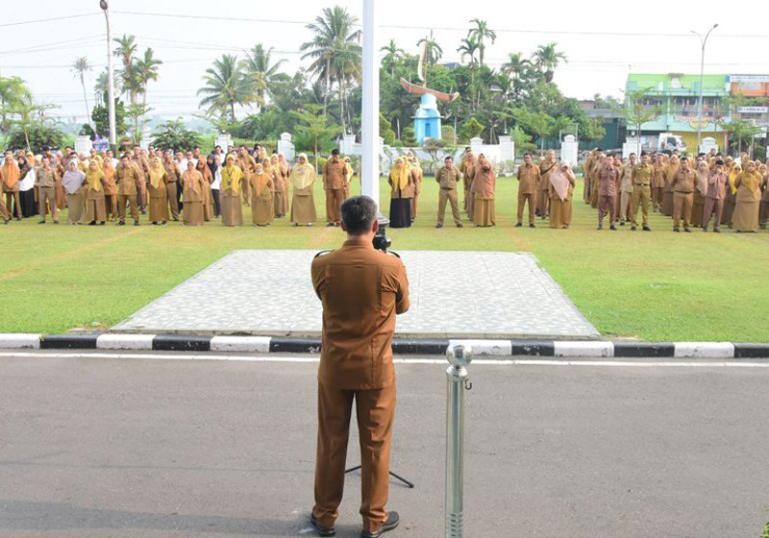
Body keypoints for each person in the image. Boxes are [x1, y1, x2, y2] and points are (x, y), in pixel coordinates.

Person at [309, 195, 409, 538]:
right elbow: (404, 306)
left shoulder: (322, 264)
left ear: (341, 225)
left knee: (331, 442)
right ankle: (374, 519)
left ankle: (325, 515)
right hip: (375, 369)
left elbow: (324, 298)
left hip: (335, 367)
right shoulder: (391, 265)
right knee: (376, 444)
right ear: (375, 226)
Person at [732, 160, 761, 233]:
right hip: (742, 197)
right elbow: (736, 183)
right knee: (741, 213)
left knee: (753, 214)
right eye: (749, 166)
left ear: (755, 167)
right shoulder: (741, 174)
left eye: (752, 166)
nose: (750, 167)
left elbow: (760, 184)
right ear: (745, 166)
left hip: (754, 197)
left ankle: (752, 228)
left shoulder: (757, 175)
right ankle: (740, 228)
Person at [289, 153, 317, 227]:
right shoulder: (295, 167)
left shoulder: (310, 167)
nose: (301, 160)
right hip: (297, 188)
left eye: (303, 159)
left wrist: (307, 184)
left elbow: (313, 177)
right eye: (300, 159)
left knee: (308, 205)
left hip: (307, 188)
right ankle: (296, 221)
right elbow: (292, 177)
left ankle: (309, 221)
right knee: (297, 206)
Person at [435, 156, 463, 228]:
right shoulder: (441, 170)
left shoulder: (455, 169)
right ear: (445, 162)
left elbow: (458, 178)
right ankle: (440, 223)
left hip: (452, 191)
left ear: (452, 162)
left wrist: (451, 184)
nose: (448, 163)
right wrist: (443, 184)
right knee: (441, 207)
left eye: (450, 162)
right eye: (446, 162)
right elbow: (437, 179)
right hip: (443, 191)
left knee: (455, 207)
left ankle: (458, 222)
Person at [323, 149, 348, 226]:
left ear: (339, 155)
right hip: (329, 186)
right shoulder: (327, 163)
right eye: (334, 156)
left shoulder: (342, 163)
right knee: (329, 203)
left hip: (339, 185)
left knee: (339, 203)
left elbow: (345, 174)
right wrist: (324, 184)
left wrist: (345, 184)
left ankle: (339, 220)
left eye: (337, 155)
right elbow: (325, 173)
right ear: (332, 155)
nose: (335, 157)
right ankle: (330, 220)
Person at [672, 157, 696, 232]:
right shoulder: (677, 172)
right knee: (677, 210)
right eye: (682, 163)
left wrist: (690, 188)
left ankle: (686, 226)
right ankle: (676, 226)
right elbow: (673, 182)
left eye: (685, 163)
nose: (684, 164)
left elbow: (696, 182)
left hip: (689, 194)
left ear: (688, 163)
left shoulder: (693, 172)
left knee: (688, 211)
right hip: (679, 193)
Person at [548, 163, 576, 229]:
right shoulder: (554, 174)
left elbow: (573, 183)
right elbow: (550, 184)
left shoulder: (570, 174)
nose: (565, 169)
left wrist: (568, 174)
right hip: (556, 195)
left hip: (567, 195)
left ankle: (566, 224)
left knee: (566, 210)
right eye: (564, 167)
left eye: (566, 167)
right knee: (556, 210)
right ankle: (555, 224)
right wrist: (550, 193)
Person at [630, 152, 653, 232]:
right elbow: (632, 177)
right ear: (640, 158)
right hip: (637, 187)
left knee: (645, 207)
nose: (644, 159)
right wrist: (635, 185)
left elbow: (652, 178)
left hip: (646, 187)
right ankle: (633, 223)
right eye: (643, 158)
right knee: (634, 206)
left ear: (648, 158)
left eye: (646, 158)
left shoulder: (650, 167)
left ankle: (645, 223)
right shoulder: (636, 167)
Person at [471, 154, 496, 227]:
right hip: (480, 193)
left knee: (488, 208)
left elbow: (493, 183)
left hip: (489, 193)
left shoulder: (491, 174)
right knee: (480, 208)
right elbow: (475, 182)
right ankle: (479, 222)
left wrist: (492, 191)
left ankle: (489, 222)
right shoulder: (478, 173)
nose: (485, 166)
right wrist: (474, 191)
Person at [702, 159, 727, 232]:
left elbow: (727, 184)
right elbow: (710, 181)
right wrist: (716, 174)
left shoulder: (725, 175)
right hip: (710, 195)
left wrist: (724, 192)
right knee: (707, 212)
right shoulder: (710, 173)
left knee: (719, 212)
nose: (719, 168)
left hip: (720, 196)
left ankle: (716, 227)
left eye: (720, 166)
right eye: (718, 166)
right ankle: (705, 226)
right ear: (715, 166)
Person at [116, 154, 141, 226]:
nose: (124, 162)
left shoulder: (133, 168)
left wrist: (138, 187)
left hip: (131, 190)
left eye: (126, 160)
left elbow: (138, 178)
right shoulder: (119, 169)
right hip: (121, 190)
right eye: (123, 161)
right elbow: (117, 179)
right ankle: (122, 220)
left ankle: (136, 220)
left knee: (133, 206)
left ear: (128, 161)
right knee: (121, 206)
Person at [516, 152, 540, 228]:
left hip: (533, 190)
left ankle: (532, 222)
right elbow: (518, 177)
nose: (527, 159)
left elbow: (539, 178)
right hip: (522, 190)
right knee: (520, 207)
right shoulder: (521, 167)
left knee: (532, 207)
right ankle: (519, 221)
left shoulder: (536, 168)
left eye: (528, 158)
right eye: (525, 158)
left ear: (531, 159)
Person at [387, 157, 412, 228]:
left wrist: (405, 187)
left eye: (400, 162)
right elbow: (389, 181)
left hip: (404, 193)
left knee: (404, 208)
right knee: (396, 208)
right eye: (397, 162)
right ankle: (395, 224)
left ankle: (405, 223)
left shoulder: (407, 171)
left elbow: (410, 181)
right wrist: (395, 186)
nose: (399, 164)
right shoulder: (392, 171)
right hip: (395, 193)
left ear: (403, 163)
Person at [220, 155, 244, 227]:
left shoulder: (237, 169)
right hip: (226, 189)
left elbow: (241, 178)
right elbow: (222, 180)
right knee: (227, 206)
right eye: (228, 160)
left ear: (234, 161)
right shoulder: (223, 170)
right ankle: (227, 221)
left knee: (235, 206)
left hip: (235, 189)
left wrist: (238, 186)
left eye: (231, 160)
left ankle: (236, 221)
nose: (230, 161)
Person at [596, 155, 618, 231]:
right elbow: (598, 178)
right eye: (607, 159)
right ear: (605, 160)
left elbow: (618, 180)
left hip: (612, 192)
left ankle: (612, 224)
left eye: (610, 159)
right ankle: (600, 223)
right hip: (603, 191)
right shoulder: (601, 169)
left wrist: (614, 188)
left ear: (613, 161)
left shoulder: (616, 170)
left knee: (613, 209)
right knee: (601, 208)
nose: (609, 161)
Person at [35, 157, 59, 224]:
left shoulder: (52, 170)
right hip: (42, 188)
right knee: (42, 204)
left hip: (50, 188)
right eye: (44, 161)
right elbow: (37, 179)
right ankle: (42, 218)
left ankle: (55, 218)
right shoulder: (39, 170)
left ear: (49, 162)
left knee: (53, 204)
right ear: (42, 162)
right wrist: (38, 184)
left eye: (47, 161)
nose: (45, 163)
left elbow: (56, 178)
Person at [181, 160, 205, 226]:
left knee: (196, 206)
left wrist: (201, 191)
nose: (190, 166)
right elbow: (181, 182)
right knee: (187, 207)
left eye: (191, 165)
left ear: (194, 166)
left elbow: (202, 183)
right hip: (187, 192)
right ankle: (187, 222)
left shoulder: (198, 173)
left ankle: (197, 221)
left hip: (196, 192)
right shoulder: (184, 173)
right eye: (188, 165)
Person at [83, 159, 107, 225]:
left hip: (99, 191)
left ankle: (102, 219)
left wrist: (102, 188)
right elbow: (84, 181)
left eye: (94, 165)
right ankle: (93, 220)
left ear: (97, 165)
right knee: (91, 206)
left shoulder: (100, 172)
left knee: (100, 205)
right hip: (90, 191)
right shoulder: (88, 173)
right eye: (91, 164)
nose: (92, 166)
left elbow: (105, 182)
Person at [147, 157, 169, 225]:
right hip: (153, 190)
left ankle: (163, 219)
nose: (155, 163)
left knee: (162, 204)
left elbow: (166, 180)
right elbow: (148, 180)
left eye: (157, 161)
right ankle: (154, 219)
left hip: (161, 189)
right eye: (154, 161)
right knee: (154, 205)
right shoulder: (150, 171)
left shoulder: (163, 171)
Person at [2, 150, 22, 220]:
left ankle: (19, 215)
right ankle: (9, 215)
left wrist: (13, 183)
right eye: (7, 159)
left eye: (10, 159)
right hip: (7, 187)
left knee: (17, 201)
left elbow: (18, 176)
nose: (9, 161)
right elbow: (2, 177)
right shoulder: (3, 167)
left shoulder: (16, 167)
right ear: (6, 160)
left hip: (14, 187)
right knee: (8, 202)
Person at [618, 153, 637, 226]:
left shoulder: (638, 167)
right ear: (629, 158)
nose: (632, 159)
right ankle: (622, 219)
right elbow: (620, 177)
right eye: (631, 158)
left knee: (633, 205)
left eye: (634, 158)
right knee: (623, 204)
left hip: (634, 188)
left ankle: (632, 219)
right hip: (625, 187)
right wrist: (619, 187)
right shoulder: (625, 166)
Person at [538, 150, 557, 219]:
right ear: (547, 155)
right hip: (545, 184)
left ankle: (551, 214)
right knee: (544, 200)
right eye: (550, 154)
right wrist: (552, 165)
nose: (551, 156)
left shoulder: (556, 163)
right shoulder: (544, 162)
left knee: (552, 200)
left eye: (552, 154)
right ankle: (543, 214)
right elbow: (543, 170)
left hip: (553, 184)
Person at [162, 152, 180, 221]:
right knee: (164, 200)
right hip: (164, 183)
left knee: (173, 201)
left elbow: (178, 172)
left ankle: (175, 216)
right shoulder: (162, 164)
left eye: (168, 155)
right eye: (165, 155)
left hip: (172, 183)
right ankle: (165, 216)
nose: (167, 156)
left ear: (170, 156)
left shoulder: (174, 163)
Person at [460, 149, 476, 218]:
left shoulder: (475, 163)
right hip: (467, 182)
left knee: (471, 197)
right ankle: (469, 211)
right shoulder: (465, 162)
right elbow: (461, 169)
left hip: (474, 182)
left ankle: (472, 212)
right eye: (468, 156)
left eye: (471, 156)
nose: (469, 157)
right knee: (468, 196)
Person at [270, 154, 286, 218]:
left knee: (279, 198)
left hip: (279, 183)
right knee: (273, 198)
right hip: (272, 183)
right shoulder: (270, 166)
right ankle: (273, 212)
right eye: (273, 159)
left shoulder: (280, 165)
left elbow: (284, 173)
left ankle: (280, 212)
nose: (274, 160)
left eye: (276, 159)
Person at [209, 154, 222, 218]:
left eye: (217, 159)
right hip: (209, 185)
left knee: (217, 200)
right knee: (211, 200)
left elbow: (220, 177)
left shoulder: (217, 167)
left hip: (216, 185)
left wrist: (219, 184)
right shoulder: (208, 167)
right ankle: (212, 213)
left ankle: (218, 213)